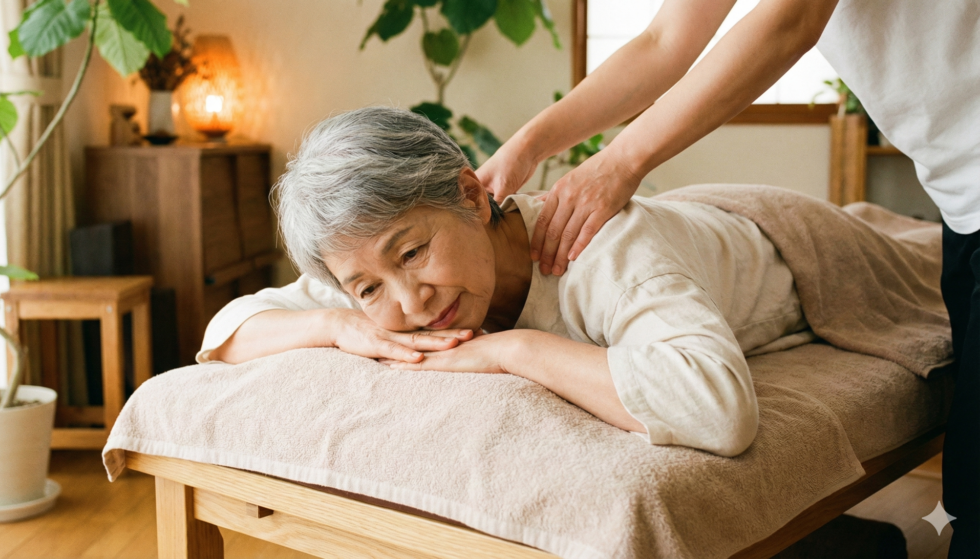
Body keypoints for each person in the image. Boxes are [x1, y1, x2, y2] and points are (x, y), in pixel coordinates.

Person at [476, 1, 978, 554]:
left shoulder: (624, 262)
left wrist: (618, 164)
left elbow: (791, 19)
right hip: (961, 200)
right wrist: (526, 146)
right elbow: (664, 41)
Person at [201, 107, 817, 457]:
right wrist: (338, 324)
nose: (411, 302)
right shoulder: (373, 279)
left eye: (413, 252)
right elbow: (226, 331)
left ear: (472, 197)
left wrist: (512, 350)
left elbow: (718, 411)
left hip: (784, 246)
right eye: (366, 289)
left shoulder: (607, 254)